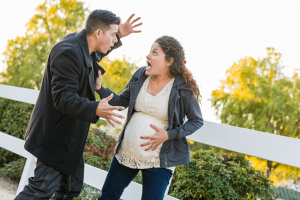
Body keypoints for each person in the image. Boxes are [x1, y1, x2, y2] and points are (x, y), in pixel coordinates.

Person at [15, 9, 142, 200]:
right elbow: (63, 97)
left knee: (70, 189)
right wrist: (96, 108)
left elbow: (96, 56)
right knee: (39, 191)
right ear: (98, 33)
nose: (115, 40)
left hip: (70, 137)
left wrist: (119, 34)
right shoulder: (68, 51)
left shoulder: (85, 48)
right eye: (113, 35)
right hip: (55, 137)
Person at [95, 35, 204, 200]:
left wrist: (168, 135)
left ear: (169, 61)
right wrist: (100, 88)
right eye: (150, 52)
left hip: (159, 161)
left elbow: (197, 121)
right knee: (108, 196)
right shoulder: (141, 75)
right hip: (127, 153)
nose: (148, 56)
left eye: (155, 53)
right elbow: (122, 100)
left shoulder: (182, 88)